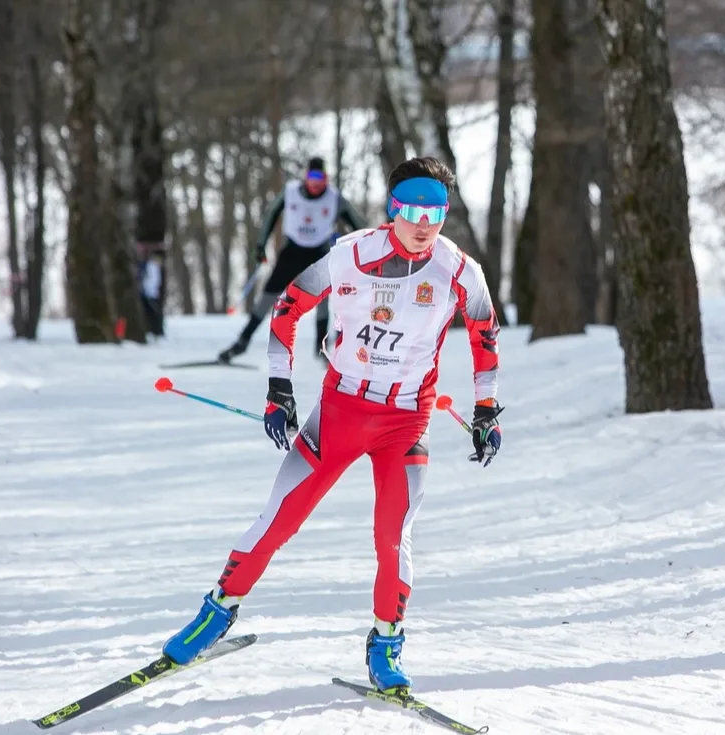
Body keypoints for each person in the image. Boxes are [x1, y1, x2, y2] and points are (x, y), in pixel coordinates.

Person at [163, 157, 504, 695]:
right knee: (279, 519)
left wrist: (486, 409)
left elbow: (485, 334)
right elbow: (287, 307)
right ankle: (217, 613)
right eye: (412, 211)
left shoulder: (460, 270)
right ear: (392, 209)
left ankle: (386, 644)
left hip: (406, 421)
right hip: (340, 412)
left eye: (435, 213)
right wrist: (279, 389)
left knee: (393, 535)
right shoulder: (350, 254)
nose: (423, 225)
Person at [218, 156, 367, 364]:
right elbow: (271, 214)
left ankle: (321, 349)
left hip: (319, 251)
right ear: (306, 177)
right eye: (312, 176)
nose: (315, 182)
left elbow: (359, 225)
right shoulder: (291, 192)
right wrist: (261, 244)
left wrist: (366, 250)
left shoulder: (334, 197)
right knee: (269, 295)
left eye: (320, 177)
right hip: (292, 251)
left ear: (326, 178)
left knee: (322, 300)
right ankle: (242, 341)